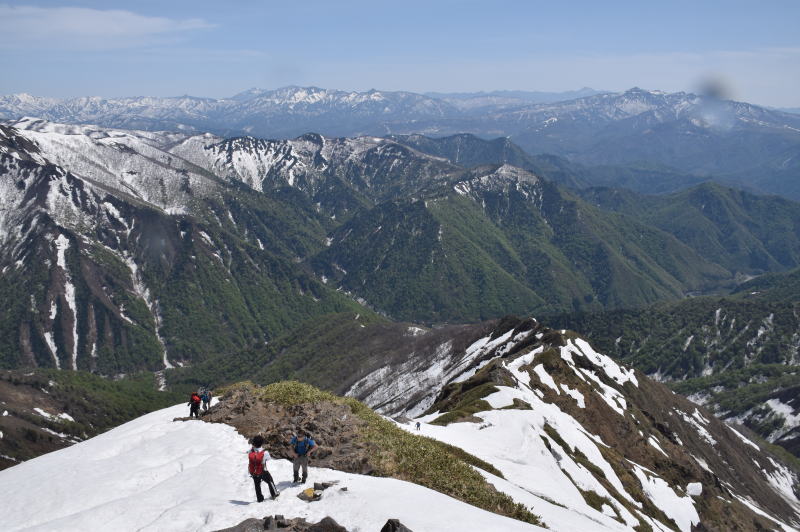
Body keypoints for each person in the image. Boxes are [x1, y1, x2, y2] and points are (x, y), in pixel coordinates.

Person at [248, 435, 279, 502]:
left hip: (253, 472)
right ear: (261, 443)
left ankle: (259, 499)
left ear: (253, 443)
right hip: (263, 471)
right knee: (270, 481)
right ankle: (274, 494)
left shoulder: (251, 451)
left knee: (257, 485)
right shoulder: (265, 452)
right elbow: (268, 459)